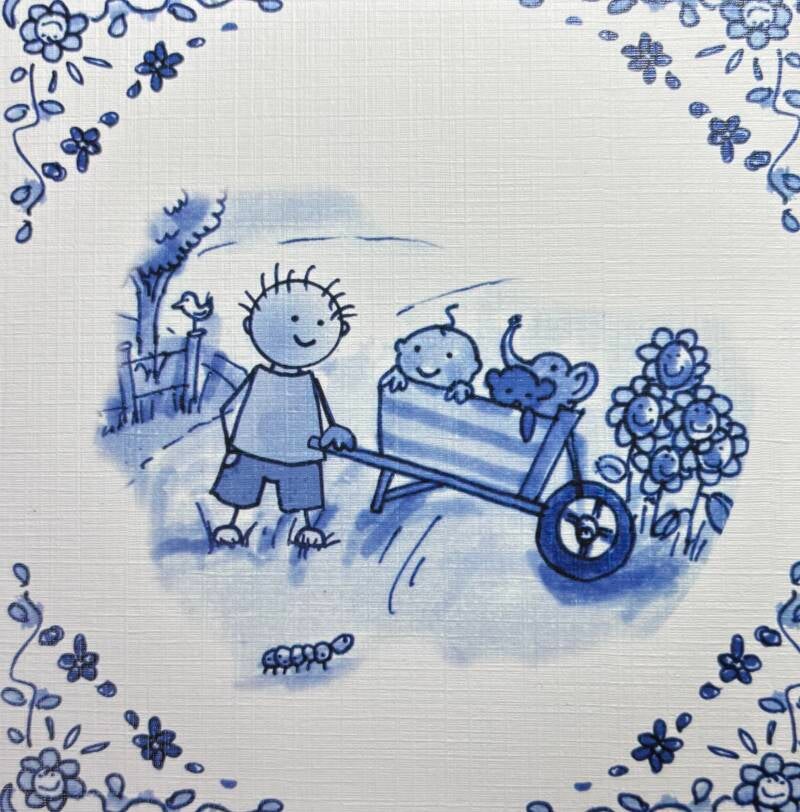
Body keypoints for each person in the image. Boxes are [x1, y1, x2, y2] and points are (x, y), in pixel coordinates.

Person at [210, 263, 357, 552]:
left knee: (303, 485)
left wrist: (335, 431)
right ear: (251, 325)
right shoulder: (258, 377)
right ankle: (234, 523)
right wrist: (231, 445)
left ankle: (307, 525)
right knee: (241, 484)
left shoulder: (309, 382)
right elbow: (228, 408)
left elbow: (327, 417)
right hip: (251, 447)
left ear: (340, 330)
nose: (306, 332)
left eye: (320, 324)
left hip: (300, 450)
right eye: (294, 319)